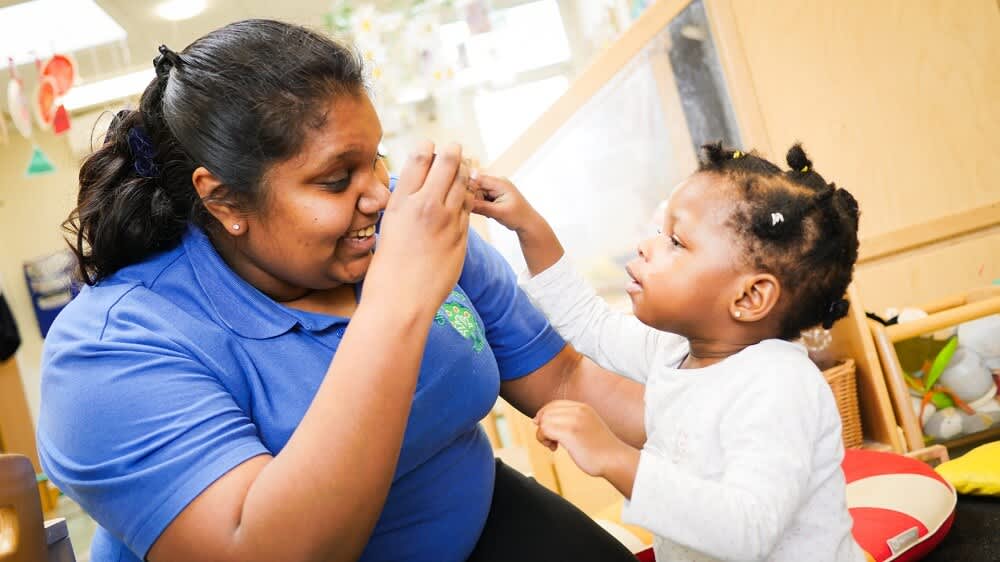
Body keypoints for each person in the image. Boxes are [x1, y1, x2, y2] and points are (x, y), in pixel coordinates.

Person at [37, 20, 645, 562]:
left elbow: (562, 380)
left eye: (375, 158)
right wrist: (400, 299)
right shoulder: (112, 348)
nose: (380, 194)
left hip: (478, 514)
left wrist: (724, 407)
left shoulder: (398, 228)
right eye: (335, 180)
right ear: (223, 198)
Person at [471, 143, 867, 561]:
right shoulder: (677, 350)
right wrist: (529, 227)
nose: (647, 246)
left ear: (750, 297)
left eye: (675, 241)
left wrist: (615, 457)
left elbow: (748, 530)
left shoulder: (779, 388)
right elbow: (591, 324)